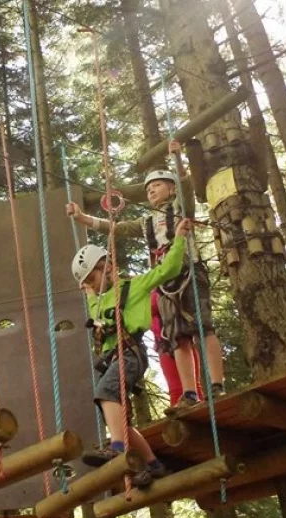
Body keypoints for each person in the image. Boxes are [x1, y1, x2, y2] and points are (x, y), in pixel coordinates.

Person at [66, 141, 223, 413]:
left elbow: (185, 185)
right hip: (164, 282)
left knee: (202, 328)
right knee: (177, 338)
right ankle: (189, 392)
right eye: (148, 189)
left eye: (157, 186)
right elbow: (115, 228)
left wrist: (176, 157)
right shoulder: (146, 222)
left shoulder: (181, 208)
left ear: (171, 188)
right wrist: (83, 219)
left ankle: (217, 385)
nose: (151, 191)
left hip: (188, 273)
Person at [73, 217, 193, 487]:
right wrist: (91, 290)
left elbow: (169, 268)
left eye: (94, 278)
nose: (93, 286)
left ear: (107, 267)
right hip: (113, 358)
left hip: (130, 354)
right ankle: (154, 464)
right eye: (88, 283)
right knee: (120, 420)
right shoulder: (97, 301)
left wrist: (180, 239)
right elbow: (97, 313)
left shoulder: (134, 287)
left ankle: (116, 449)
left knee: (106, 394)